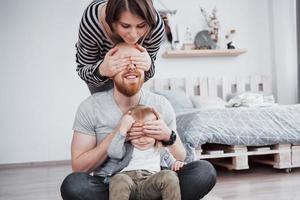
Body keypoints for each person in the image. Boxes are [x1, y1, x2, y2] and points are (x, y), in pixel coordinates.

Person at [60, 43, 216, 200]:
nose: (131, 67)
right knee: (74, 185)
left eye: (137, 62)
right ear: (109, 71)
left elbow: (181, 158)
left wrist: (168, 135)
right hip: (112, 186)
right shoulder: (90, 107)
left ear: (146, 68)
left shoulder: (161, 104)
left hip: (156, 184)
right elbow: (79, 167)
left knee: (204, 171)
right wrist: (118, 133)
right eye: (123, 62)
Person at [76, 0, 165, 94]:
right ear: (111, 20)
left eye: (141, 25)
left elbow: (147, 72)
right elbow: (84, 70)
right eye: (125, 26)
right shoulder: (92, 23)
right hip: (99, 78)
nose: (133, 35)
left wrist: (149, 64)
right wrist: (101, 70)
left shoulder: (155, 27)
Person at [108, 105, 184, 200]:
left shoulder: (160, 149)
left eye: (147, 135)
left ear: (156, 132)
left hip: (152, 183)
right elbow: (113, 153)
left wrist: (177, 163)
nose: (142, 140)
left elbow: (173, 163)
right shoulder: (127, 147)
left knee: (169, 176)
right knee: (118, 179)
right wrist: (122, 130)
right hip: (129, 182)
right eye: (136, 135)